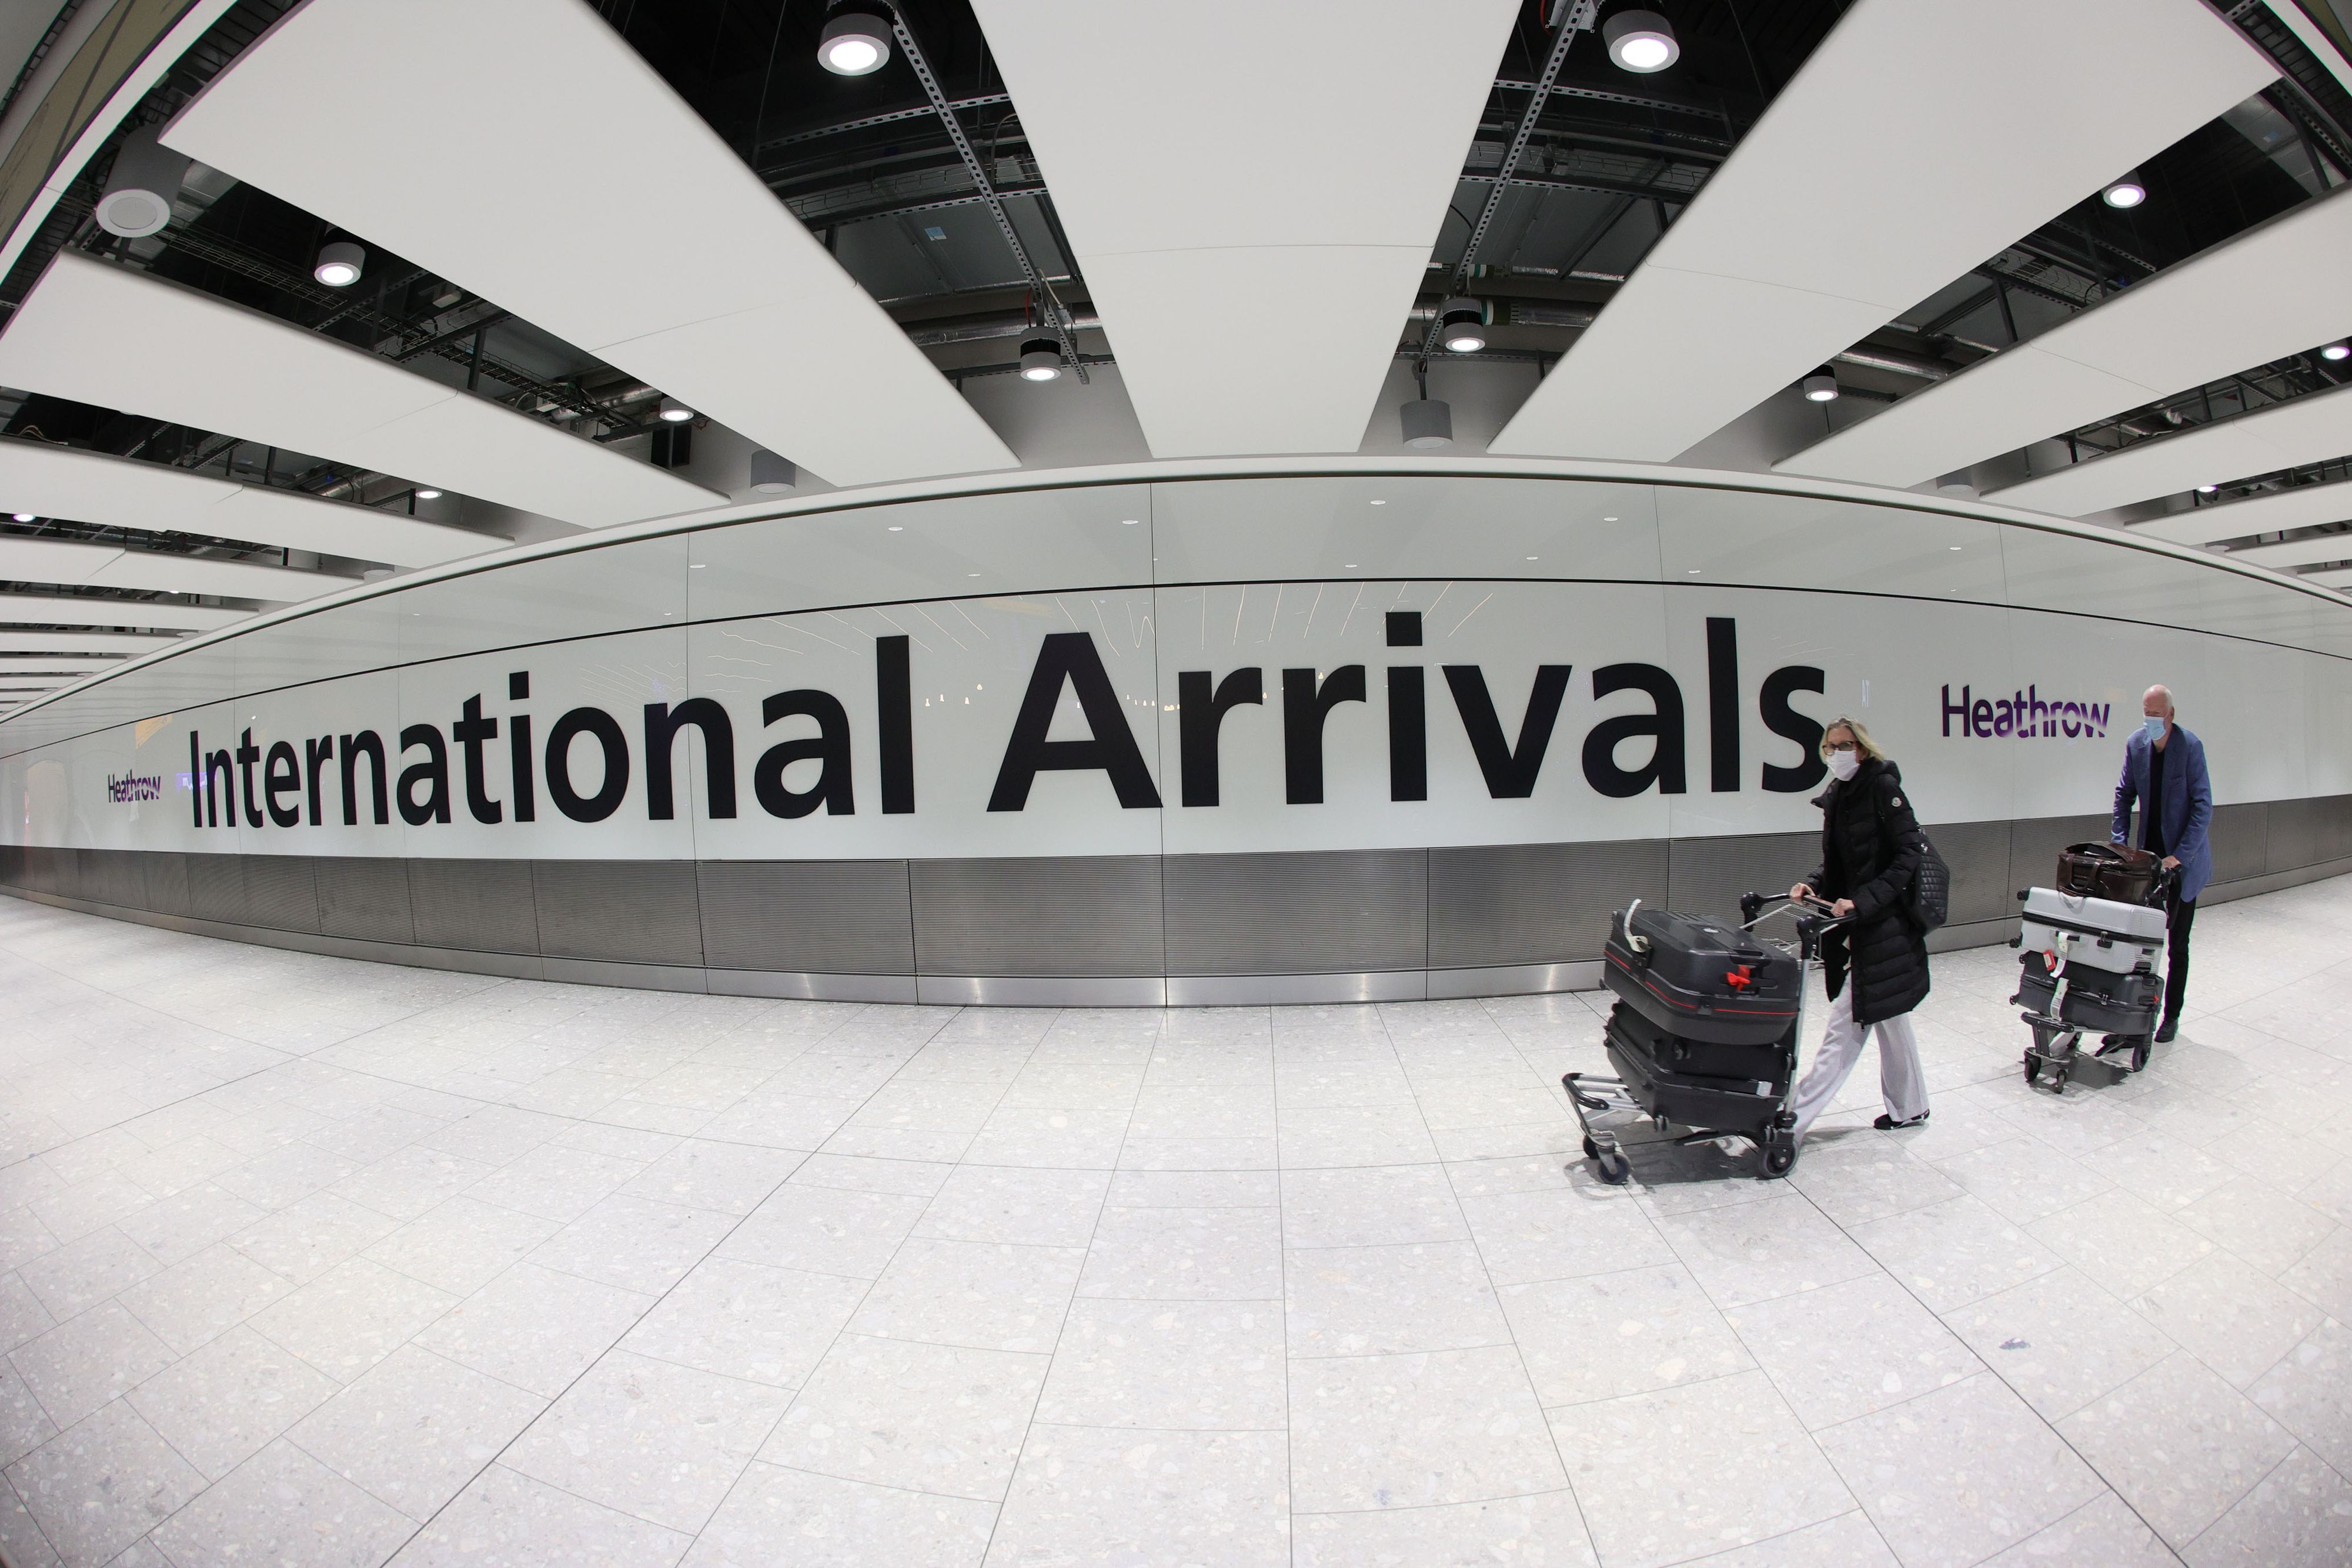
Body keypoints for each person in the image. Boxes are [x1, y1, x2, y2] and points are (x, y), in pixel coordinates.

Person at [1786, 717, 1932, 1139]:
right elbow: (1841, 863)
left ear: (1863, 748)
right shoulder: (1838, 793)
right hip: (1861, 924)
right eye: (1830, 748)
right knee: (1892, 1017)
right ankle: (1912, 1107)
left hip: (1884, 927)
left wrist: (1864, 899)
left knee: (1845, 1027)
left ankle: (1791, 1122)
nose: (1837, 754)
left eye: (1845, 745)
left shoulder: (1884, 788)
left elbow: (1909, 855)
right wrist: (1813, 883)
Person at [2112, 684, 2210, 1043]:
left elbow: (2203, 807)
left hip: (2184, 861)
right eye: (2146, 712)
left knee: (2178, 943)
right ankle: (2135, 1015)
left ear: (2171, 714)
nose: (2150, 720)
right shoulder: (2136, 744)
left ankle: (2171, 1016)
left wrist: (2179, 856)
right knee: (2142, 943)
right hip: (2148, 861)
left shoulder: (2191, 748)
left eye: (2156, 714)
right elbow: (2124, 797)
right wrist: (2120, 844)